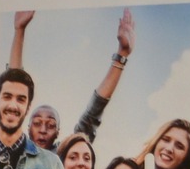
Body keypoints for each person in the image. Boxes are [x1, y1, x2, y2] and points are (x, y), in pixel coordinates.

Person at [9, 8, 135, 149]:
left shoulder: (63, 154)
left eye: (51, 125)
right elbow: (14, 90)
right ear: (28, 127)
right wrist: (19, 30)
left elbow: (92, 115)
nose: (43, 130)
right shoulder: (15, 150)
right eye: (37, 123)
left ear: (58, 132)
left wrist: (122, 55)